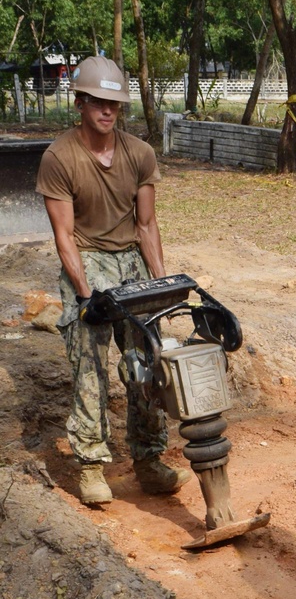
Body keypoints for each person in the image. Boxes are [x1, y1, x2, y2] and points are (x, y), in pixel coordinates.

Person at [35, 55, 189, 506]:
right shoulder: (59, 158)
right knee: (90, 364)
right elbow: (64, 236)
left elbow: (147, 226)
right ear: (80, 102)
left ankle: (148, 461)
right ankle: (90, 465)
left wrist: (162, 286)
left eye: (114, 104)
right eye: (98, 101)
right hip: (87, 260)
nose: (107, 110)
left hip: (130, 263)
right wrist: (85, 297)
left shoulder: (139, 154)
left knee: (147, 361)